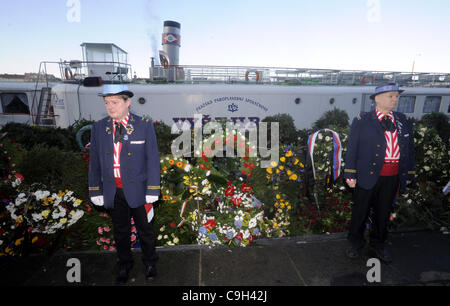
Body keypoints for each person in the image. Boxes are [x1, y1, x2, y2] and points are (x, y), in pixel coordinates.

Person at [88, 84, 160, 284]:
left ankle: (150, 262)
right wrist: (95, 189)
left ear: (128, 102)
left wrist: (153, 188)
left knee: (145, 230)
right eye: (107, 103)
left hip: (139, 190)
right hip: (113, 191)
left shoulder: (143, 126)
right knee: (120, 231)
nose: (110, 107)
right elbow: (94, 161)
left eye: (115, 102)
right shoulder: (99, 128)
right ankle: (124, 264)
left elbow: (152, 159)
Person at [344, 83, 415, 263]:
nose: (395, 100)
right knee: (360, 211)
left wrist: (409, 174)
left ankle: (378, 244)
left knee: (383, 213)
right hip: (366, 174)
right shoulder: (362, 120)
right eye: (391, 96)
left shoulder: (403, 120)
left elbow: (410, 149)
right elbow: (352, 148)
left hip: (392, 176)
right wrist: (350, 173)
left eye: (396, 96)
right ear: (377, 98)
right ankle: (355, 243)